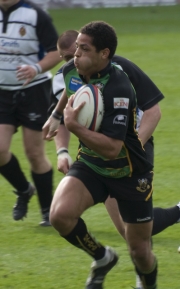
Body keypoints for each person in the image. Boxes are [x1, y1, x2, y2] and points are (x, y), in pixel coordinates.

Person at [48, 29, 180, 289]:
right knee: (60, 215)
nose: (74, 56)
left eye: (83, 49)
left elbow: (146, 118)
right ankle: (103, 257)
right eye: (74, 49)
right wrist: (56, 118)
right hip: (91, 161)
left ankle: (147, 280)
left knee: (138, 248)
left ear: (103, 53)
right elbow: (70, 92)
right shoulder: (71, 71)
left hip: (129, 166)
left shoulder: (121, 82)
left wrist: (135, 147)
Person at [0, 0, 62, 226]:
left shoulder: (36, 15)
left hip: (34, 91)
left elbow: (57, 52)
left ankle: (47, 211)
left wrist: (35, 68)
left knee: (34, 153)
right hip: (2, 93)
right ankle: (24, 190)